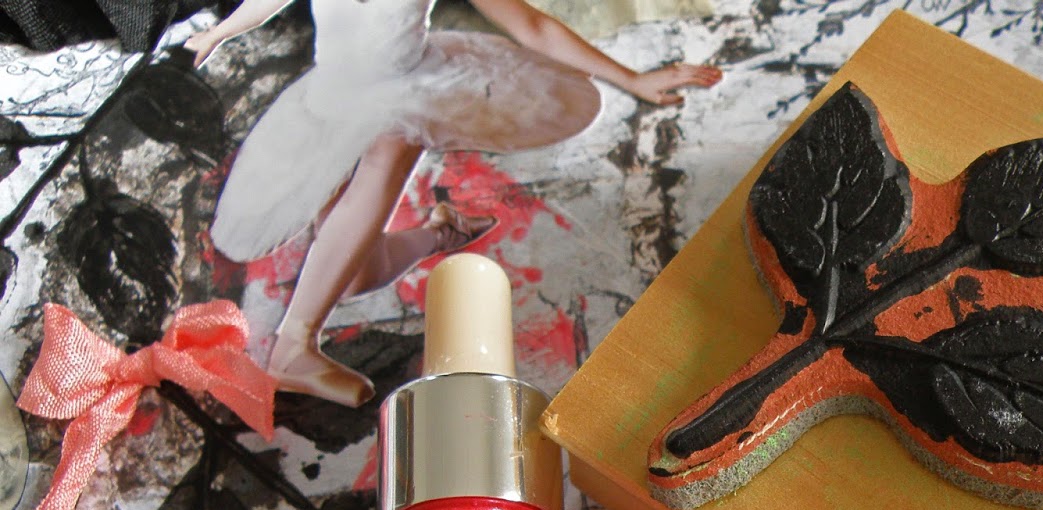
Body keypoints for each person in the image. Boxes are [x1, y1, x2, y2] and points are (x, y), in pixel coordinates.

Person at [188, 0, 721, 405]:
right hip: (336, 96)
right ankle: (439, 233)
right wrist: (218, 32)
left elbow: (532, 27)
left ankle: (294, 346)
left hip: (406, 91)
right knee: (349, 276)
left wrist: (632, 79)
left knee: (388, 146)